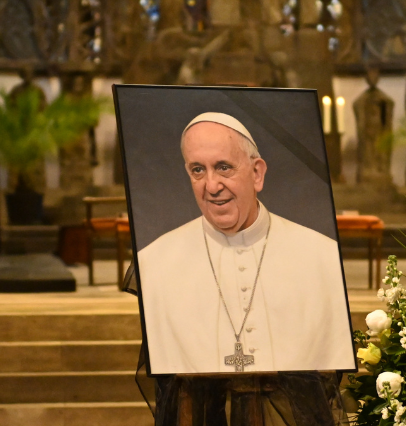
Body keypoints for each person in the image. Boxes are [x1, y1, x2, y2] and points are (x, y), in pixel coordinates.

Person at [136, 112, 355, 374]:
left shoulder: (323, 255)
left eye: (223, 167)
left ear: (256, 173)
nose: (212, 185)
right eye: (198, 170)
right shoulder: (154, 262)